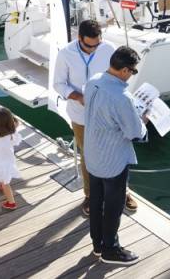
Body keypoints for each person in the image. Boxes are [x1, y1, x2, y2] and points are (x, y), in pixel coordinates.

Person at [53, 20, 137, 216]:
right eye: (89, 45)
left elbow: (118, 76)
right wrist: (78, 97)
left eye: (97, 44)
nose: (93, 49)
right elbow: (58, 84)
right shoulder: (65, 54)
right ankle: (90, 195)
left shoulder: (108, 49)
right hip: (81, 115)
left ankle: (123, 192)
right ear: (79, 38)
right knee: (87, 155)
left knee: (119, 153)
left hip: (109, 113)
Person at [84, 46, 147, 266]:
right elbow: (134, 132)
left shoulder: (92, 81)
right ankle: (111, 249)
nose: (131, 76)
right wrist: (144, 121)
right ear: (125, 71)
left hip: (93, 155)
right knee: (113, 206)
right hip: (113, 160)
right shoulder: (122, 97)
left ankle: (97, 245)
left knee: (96, 201)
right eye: (133, 71)